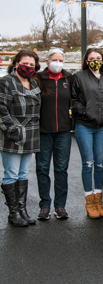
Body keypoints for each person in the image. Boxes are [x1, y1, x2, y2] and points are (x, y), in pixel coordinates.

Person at [71, 48, 103, 219]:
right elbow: (74, 101)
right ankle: (89, 200)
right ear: (86, 60)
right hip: (84, 126)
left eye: (98, 58)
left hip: (101, 127)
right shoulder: (79, 77)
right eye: (92, 58)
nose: (95, 61)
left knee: (99, 164)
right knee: (88, 164)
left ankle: (99, 200)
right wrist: (85, 113)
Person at [0, 50, 41, 227]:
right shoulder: (6, 82)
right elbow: (1, 109)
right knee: (11, 173)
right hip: (13, 134)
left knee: (23, 173)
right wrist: (13, 129)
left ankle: (22, 209)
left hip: (31, 133)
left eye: (32, 65)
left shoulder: (33, 83)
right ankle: (13, 212)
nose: (28, 67)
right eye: (25, 63)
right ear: (16, 64)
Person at [36, 48, 73, 220]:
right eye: (55, 60)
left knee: (61, 169)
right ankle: (44, 205)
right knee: (42, 168)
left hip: (63, 132)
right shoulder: (38, 79)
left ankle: (60, 206)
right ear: (47, 61)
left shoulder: (68, 79)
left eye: (61, 60)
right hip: (43, 132)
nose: (58, 63)